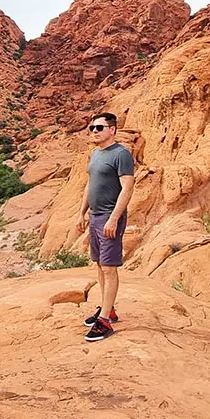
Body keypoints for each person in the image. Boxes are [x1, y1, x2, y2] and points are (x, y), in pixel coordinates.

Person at [76, 112, 135, 342]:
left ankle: (105, 322)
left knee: (109, 268)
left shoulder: (121, 154)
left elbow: (127, 188)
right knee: (100, 266)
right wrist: (81, 214)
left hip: (110, 217)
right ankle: (107, 310)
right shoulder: (95, 154)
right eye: (91, 128)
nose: (93, 131)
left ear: (112, 130)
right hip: (95, 215)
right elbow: (89, 185)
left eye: (99, 128)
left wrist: (114, 218)